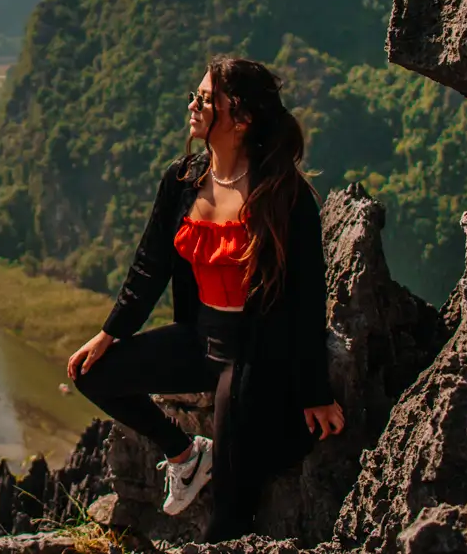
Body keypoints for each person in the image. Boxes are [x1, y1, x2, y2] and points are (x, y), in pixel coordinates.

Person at [67, 56, 345, 542]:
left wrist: (315, 391)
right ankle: (185, 453)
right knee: (92, 374)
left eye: (206, 99)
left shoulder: (283, 195)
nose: (193, 105)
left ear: (241, 118)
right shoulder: (183, 178)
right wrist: (109, 334)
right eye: (195, 96)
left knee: (233, 502)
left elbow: (307, 298)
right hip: (199, 339)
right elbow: (148, 266)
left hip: (254, 352)